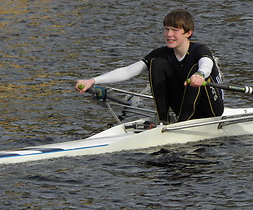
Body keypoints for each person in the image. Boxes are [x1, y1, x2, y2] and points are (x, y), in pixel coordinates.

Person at [76, 9, 224, 124]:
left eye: (174, 30)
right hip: (183, 107)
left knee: (194, 70)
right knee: (157, 63)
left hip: (210, 109)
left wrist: (199, 74)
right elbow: (128, 71)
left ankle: (181, 123)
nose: (169, 34)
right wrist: (92, 81)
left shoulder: (200, 50)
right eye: (166, 29)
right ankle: (164, 120)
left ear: (188, 33)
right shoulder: (161, 53)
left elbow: (207, 64)